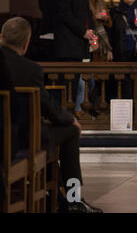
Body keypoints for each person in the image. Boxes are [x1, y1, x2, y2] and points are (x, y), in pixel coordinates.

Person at [0, 17, 102, 213]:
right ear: (27, 42)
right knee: (70, 131)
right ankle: (73, 199)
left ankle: (55, 195)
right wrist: (71, 119)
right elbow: (48, 108)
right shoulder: (30, 70)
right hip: (21, 141)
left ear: (2, 37)